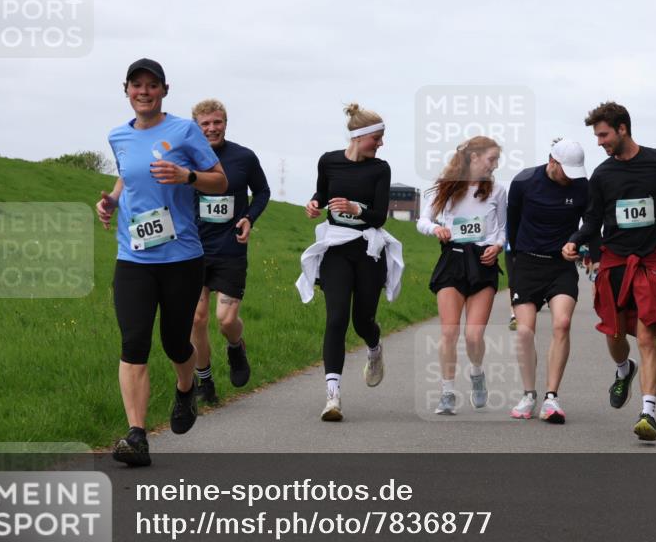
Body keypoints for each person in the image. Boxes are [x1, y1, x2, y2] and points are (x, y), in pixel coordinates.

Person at [96, 58, 227, 466]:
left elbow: (219, 180)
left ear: (164, 91)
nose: (144, 91)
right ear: (127, 90)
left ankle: (186, 390)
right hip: (132, 256)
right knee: (133, 343)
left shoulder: (184, 131)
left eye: (152, 85)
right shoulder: (118, 135)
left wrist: (187, 176)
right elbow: (127, 175)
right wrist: (111, 201)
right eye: (137, 85)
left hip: (181, 256)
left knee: (174, 341)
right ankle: (136, 435)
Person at [564, 101, 656, 442]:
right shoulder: (603, 175)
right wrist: (575, 241)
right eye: (597, 136)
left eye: (603, 135)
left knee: (646, 336)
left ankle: (648, 414)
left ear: (622, 128)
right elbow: (593, 220)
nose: (599, 142)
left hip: (651, 261)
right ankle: (624, 370)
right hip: (614, 260)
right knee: (614, 334)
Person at [296, 104, 404, 422]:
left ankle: (374, 348)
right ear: (360, 136)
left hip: (369, 252)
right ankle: (333, 397)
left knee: (362, 321)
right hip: (336, 250)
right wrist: (314, 204)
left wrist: (357, 210)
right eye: (377, 138)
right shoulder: (328, 161)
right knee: (336, 318)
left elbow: (380, 214)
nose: (381, 144)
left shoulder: (379, 169)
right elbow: (322, 193)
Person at [416, 136, 507, 415]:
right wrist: (436, 230)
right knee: (449, 330)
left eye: (497, 160)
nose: (495, 165)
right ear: (473, 157)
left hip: (482, 262)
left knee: (473, 335)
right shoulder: (445, 188)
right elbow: (423, 221)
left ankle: (477, 373)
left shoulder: (498, 191)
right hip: (453, 260)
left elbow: (504, 228)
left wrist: (498, 246)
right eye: (491, 159)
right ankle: (446, 393)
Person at [189, 99, 271, 404]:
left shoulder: (243, 157)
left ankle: (236, 346)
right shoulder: (187, 158)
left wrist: (249, 218)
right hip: (193, 248)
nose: (212, 128)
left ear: (225, 122)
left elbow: (262, 191)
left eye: (217, 122)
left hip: (230, 248)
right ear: (196, 126)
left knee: (225, 320)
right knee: (196, 319)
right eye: (205, 124)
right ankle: (204, 381)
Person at [507, 139, 589, 424]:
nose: (570, 177)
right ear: (552, 161)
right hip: (527, 263)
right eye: (565, 170)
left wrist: (578, 245)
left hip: (561, 266)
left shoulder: (582, 186)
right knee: (525, 331)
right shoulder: (524, 182)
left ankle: (551, 398)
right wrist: (514, 270)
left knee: (562, 323)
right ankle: (528, 394)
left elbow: (590, 225)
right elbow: (512, 228)